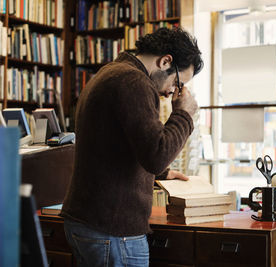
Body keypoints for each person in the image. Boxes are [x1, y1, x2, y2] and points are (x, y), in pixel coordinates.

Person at [60, 27, 203, 267]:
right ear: (165, 61)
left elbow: (114, 145)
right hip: (112, 229)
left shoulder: (112, 73)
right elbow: (156, 155)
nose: (172, 92)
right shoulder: (134, 82)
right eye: (177, 82)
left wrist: (163, 173)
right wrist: (184, 115)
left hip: (90, 222)